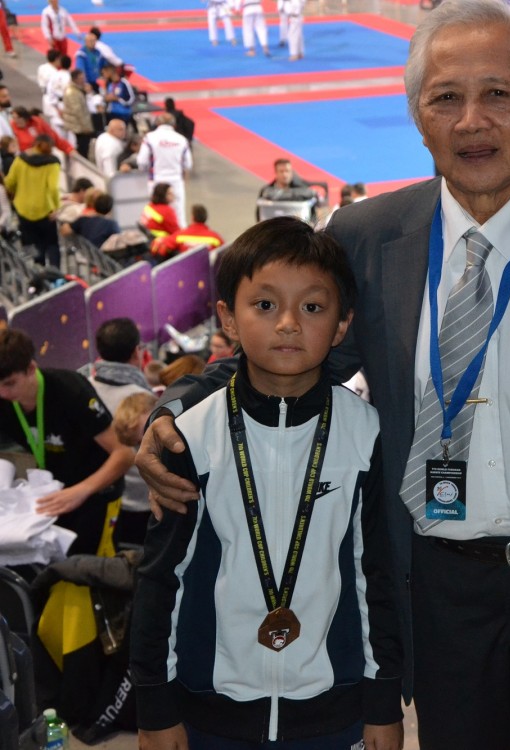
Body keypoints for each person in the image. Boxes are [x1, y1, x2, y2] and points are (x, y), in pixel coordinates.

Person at [137, 0, 510, 747]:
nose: (472, 121)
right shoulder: (368, 236)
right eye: (446, 98)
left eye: (498, 94)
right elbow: (292, 355)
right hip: (437, 583)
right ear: (417, 117)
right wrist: (179, 405)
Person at [130, 217, 405, 749]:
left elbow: (376, 576)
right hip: (210, 713)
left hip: (333, 710)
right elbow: (162, 578)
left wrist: (382, 701)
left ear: (343, 325)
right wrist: (154, 705)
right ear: (228, 320)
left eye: (313, 307)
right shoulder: (190, 435)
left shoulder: (366, 433)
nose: (288, 324)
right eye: (264, 305)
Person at [0, 328, 132, 556]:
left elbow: (125, 454)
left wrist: (81, 491)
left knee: (94, 569)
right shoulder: (4, 398)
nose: (3, 393)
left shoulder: (71, 390)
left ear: (31, 369)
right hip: (56, 493)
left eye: (10, 383)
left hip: (97, 492)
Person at [88, 318, 153, 547]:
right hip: (140, 503)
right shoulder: (144, 400)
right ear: (137, 352)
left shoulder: (84, 389)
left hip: (100, 497)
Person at [5, 135, 62, 268]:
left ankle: (38, 271)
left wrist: (15, 193)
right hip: (45, 210)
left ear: (34, 144)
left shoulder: (20, 159)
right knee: (52, 244)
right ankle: (56, 274)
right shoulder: (52, 163)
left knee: (32, 245)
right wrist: (56, 207)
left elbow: (9, 182)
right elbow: (53, 188)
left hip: (23, 209)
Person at [138, 112, 193, 227]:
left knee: (156, 213)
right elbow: (188, 164)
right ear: (174, 125)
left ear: (158, 123)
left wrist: (146, 171)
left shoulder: (149, 138)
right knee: (179, 215)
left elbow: (142, 161)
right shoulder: (182, 140)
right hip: (176, 181)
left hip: (156, 181)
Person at [154, 203, 225, 257]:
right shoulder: (215, 238)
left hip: (186, 270)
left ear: (192, 217)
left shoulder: (180, 235)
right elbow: (225, 253)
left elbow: (161, 247)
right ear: (205, 218)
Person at [141, 183, 181, 248]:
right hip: (164, 244)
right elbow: (176, 232)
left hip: (152, 242)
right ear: (162, 195)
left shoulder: (149, 206)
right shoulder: (167, 211)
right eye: (169, 193)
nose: (173, 195)